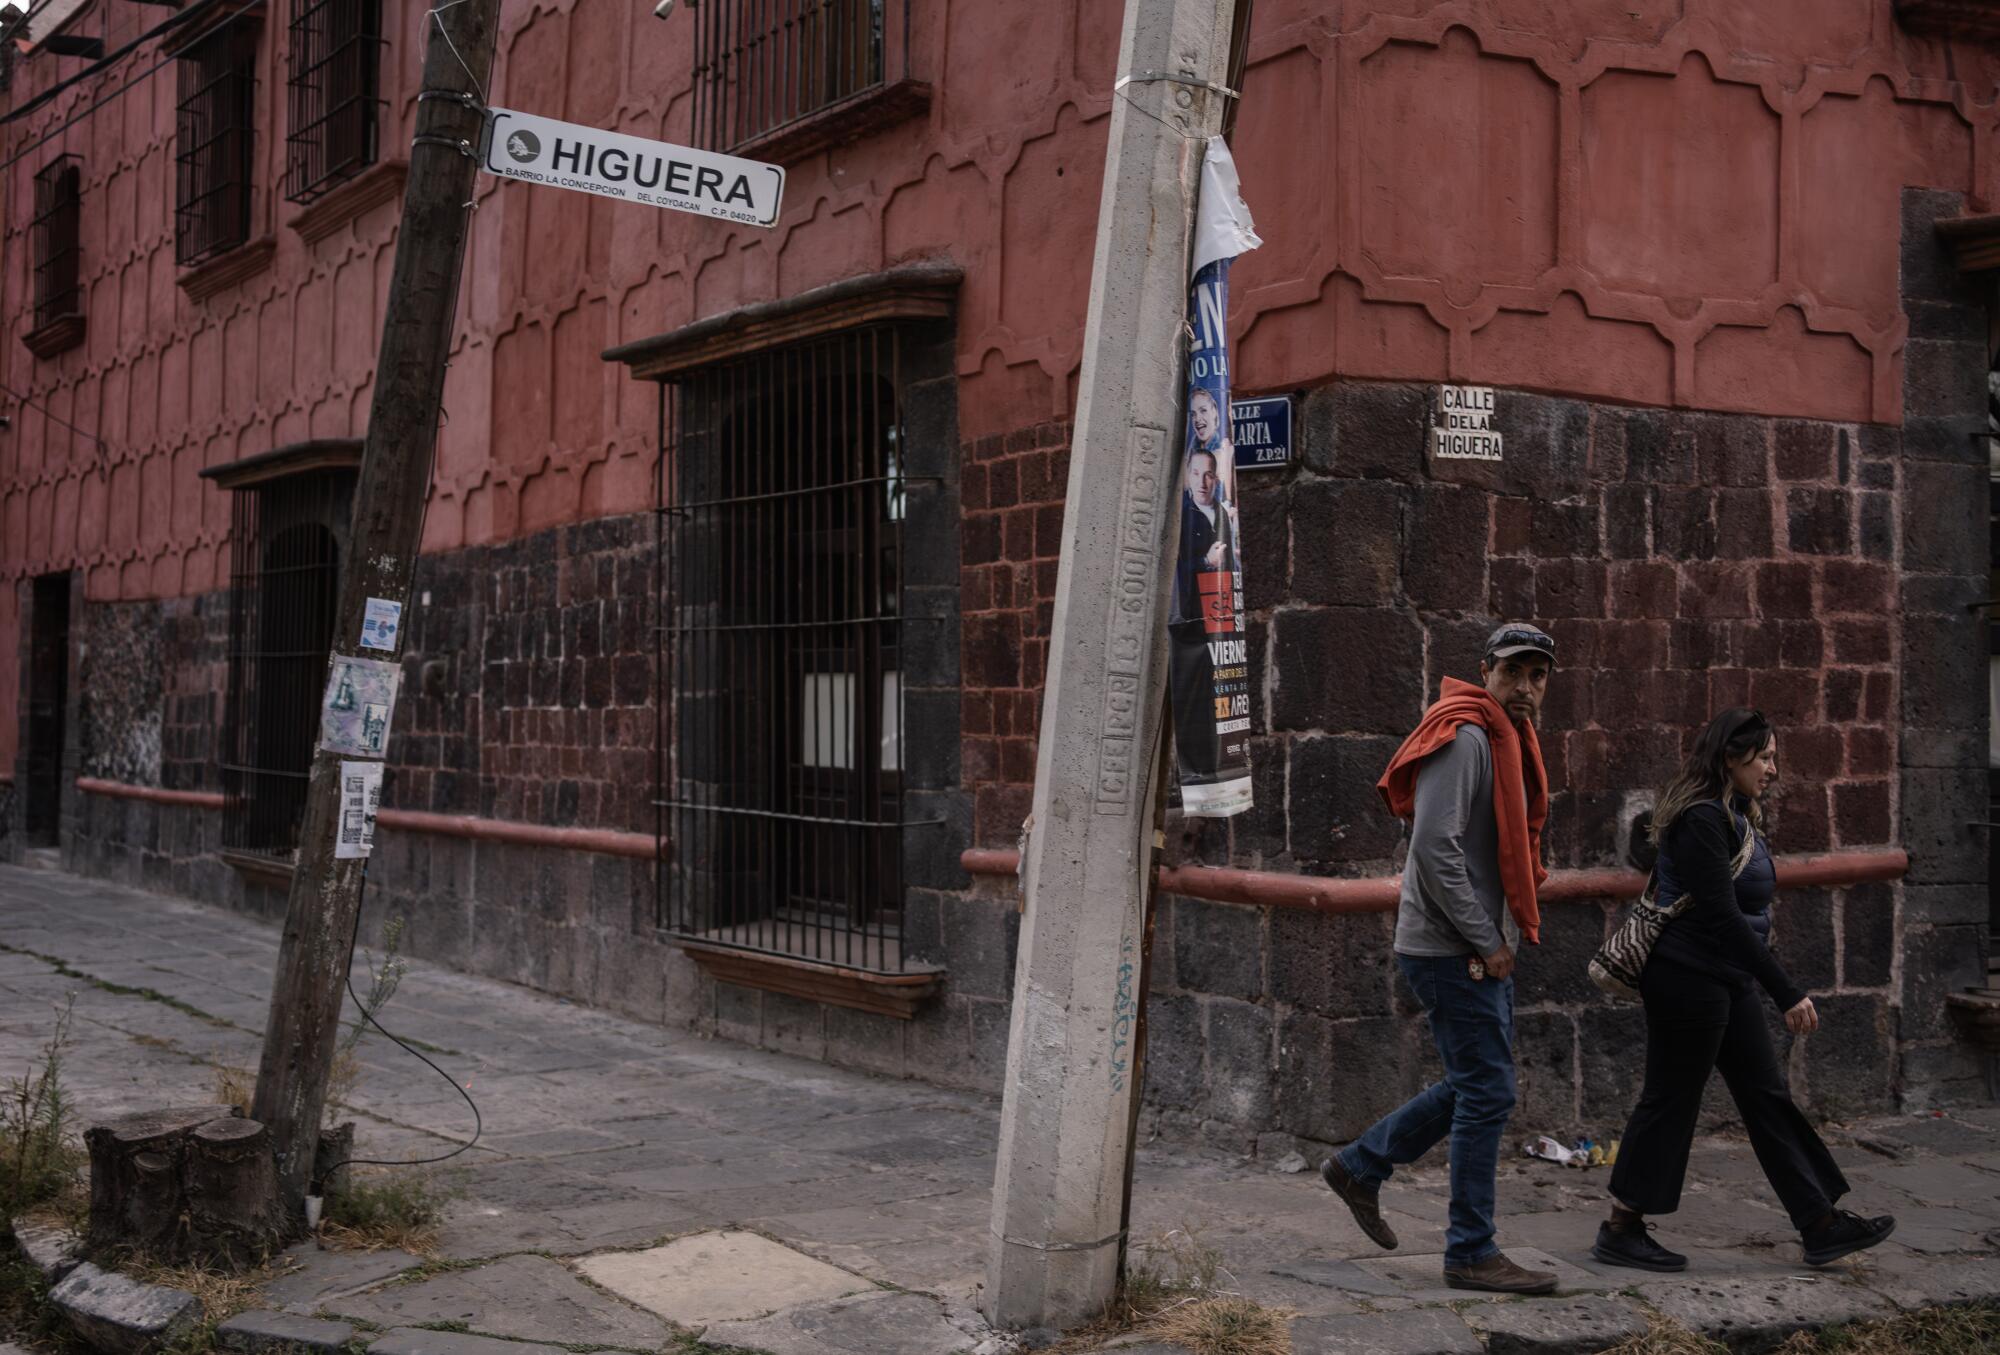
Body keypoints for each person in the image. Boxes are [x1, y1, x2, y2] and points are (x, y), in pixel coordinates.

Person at [1594, 709, 1896, 1272]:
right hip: (1686, 978)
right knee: (1671, 1097)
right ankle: (1620, 1227)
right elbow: (1724, 918)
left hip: (1723, 979)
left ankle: (1820, 1223)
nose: (1774, 769)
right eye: (1765, 758)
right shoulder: (1700, 820)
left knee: (1766, 1095)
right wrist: (1786, 990)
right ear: (1731, 759)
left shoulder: (1736, 815)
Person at [1320, 624, 1558, 1295]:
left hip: (1468, 942)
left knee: (1476, 1081)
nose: (1526, 687)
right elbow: (1434, 848)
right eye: (1514, 672)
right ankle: (1470, 1250)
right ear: (1486, 670)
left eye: (1539, 675)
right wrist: (1488, 938)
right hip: (1455, 948)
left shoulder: (1508, 738)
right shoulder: (1467, 738)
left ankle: (1361, 1166)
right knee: (1489, 1088)